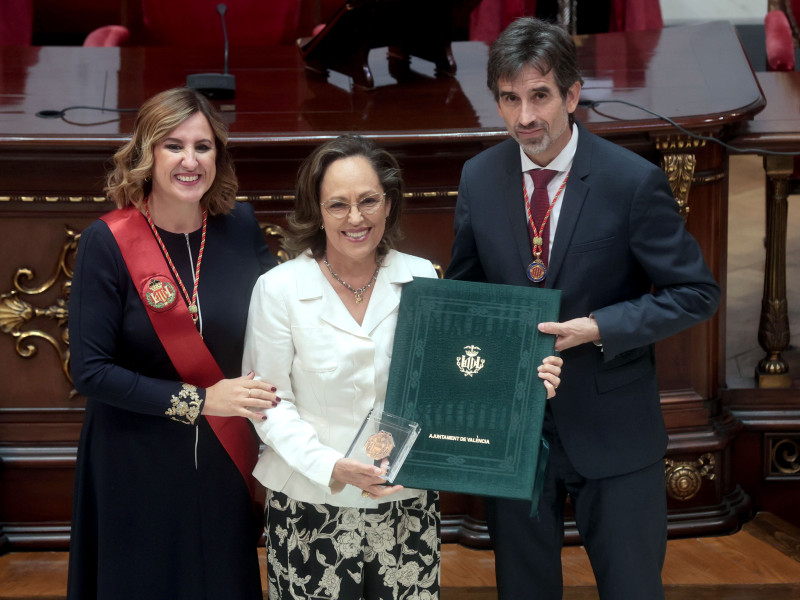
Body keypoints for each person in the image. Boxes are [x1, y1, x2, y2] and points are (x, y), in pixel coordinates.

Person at [445, 17, 720, 600]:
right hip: (514, 433)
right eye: (510, 99)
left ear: (572, 94)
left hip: (613, 433)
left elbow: (696, 293)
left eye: (540, 96)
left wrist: (600, 327)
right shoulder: (479, 178)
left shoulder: (632, 182)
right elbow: (469, 297)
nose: (526, 117)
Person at [242, 134, 564, 600]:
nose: (356, 218)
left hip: (404, 503)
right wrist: (333, 466)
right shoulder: (278, 289)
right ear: (317, 210)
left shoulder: (422, 279)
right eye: (338, 205)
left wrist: (528, 381)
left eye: (369, 200)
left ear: (389, 204)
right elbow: (268, 405)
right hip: (311, 499)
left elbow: (455, 383)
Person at [67, 87, 279, 600]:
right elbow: (90, 371)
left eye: (203, 147)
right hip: (134, 459)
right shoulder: (108, 241)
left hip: (221, 461)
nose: (190, 161)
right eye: (173, 145)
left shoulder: (240, 227)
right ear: (147, 154)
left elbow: (282, 317)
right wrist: (201, 401)